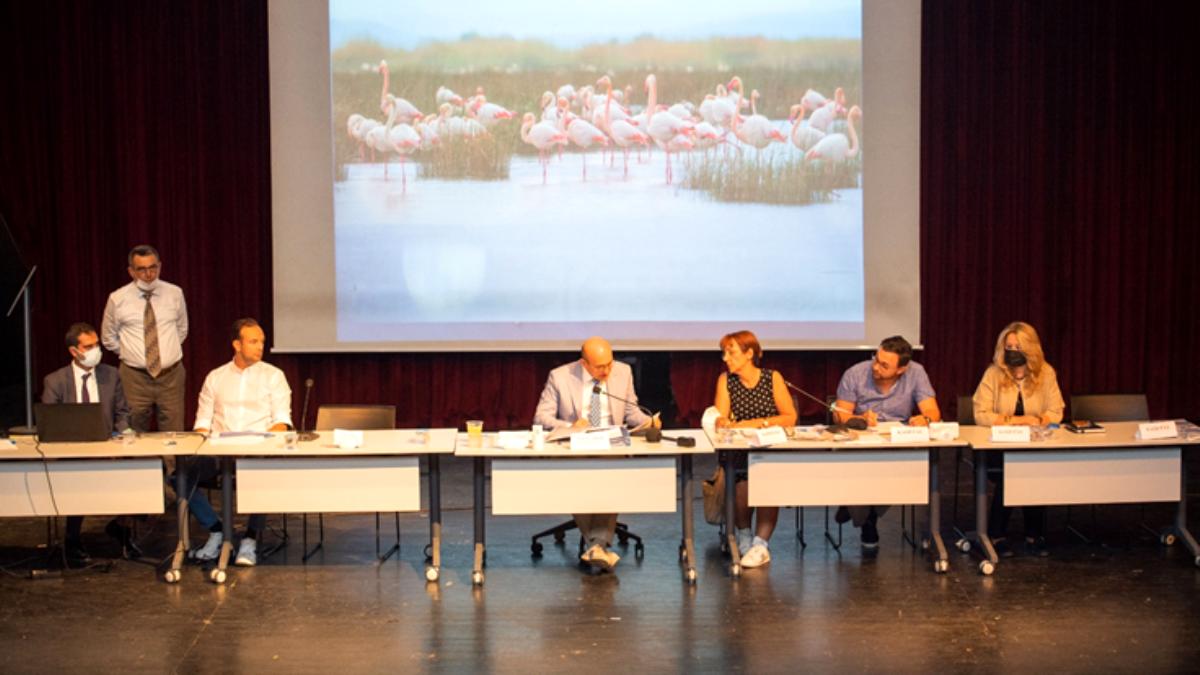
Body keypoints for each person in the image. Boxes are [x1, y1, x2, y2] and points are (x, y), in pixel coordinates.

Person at [533, 336, 661, 572]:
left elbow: (631, 412)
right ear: (584, 364)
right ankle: (599, 545)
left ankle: (596, 545)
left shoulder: (623, 372)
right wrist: (571, 427)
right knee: (578, 473)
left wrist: (648, 421)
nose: (607, 371)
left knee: (612, 472)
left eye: (610, 364)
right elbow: (541, 417)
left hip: (611, 444)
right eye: (600, 367)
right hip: (575, 446)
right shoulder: (560, 376)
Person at [185, 318, 292, 567]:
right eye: (253, 341)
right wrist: (205, 445)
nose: (260, 346)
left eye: (262, 341)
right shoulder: (216, 377)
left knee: (263, 473)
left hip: (257, 451)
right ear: (237, 344)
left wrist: (259, 445)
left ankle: (250, 539)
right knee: (179, 477)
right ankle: (217, 531)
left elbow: (281, 422)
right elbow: (202, 422)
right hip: (219, 452)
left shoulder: (274, 376)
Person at [832, 335, 942, 550]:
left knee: (900, 472)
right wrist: (859, 419)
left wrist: (925, 419)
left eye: (884, 365)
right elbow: (839, 415)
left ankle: (860, 510)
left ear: (901, 369)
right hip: (861, 440)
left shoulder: (916, 373)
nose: (876, 367)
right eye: (876, 359)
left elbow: (932, 411)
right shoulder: (855, 373)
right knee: (862, 468)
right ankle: (863, 515)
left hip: (897, 441)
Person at [41, 322, 137, 562]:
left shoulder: (111, 375)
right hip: (72, 451)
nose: (96, 350)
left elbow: (122, 412)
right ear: (74, 351)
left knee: (142, 474)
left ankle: (122, 528)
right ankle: (72, 538)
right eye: (89, 346)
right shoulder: (55, 381)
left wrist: (125, 432)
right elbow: (50, 420)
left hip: (108, 447)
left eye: (97, 344)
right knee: (77, 477)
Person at [972, 321, 1064, 557]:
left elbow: (1056, 411)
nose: (1012, 351)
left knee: (1033, 470)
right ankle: (996, 535)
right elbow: (981, 414)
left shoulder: (1046, 373)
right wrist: (1015, 421)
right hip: (999, 446)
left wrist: (1040, 420)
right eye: (1009, 347)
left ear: (1030, 348)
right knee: (1012, 473)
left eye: (1018, 347)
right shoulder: (993, 374)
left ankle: (1034, 534)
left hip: (1035, 444)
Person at [712, 330, 798, 568]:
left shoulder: (772, 378)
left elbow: (789, 417)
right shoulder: (725, 380)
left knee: (768, 478)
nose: (725, 359)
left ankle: (761, 544)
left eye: (731, 353)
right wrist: (722, 422)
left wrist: (752, 424)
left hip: (770, 448)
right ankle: (744, 536)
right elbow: (722, 420)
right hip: (740, 451)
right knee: (742, 481)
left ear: (749, 354)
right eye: (724, 353)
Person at [101, 245, 189, 434]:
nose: (148, 274)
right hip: (135, 377)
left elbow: (181, 330)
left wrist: (165, 352)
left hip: (171, 376)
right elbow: (108, 337)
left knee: (174, 434)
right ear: (131, 271)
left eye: (153, 267)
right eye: (141, 269)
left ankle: (172, 458)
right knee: (133, 431)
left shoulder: (175, 293)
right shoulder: (117, 298)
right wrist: (131, 353)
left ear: (160, 266)